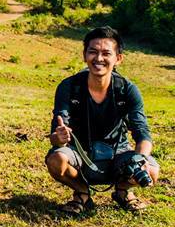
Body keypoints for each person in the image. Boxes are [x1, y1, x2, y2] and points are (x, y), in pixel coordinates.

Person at [46, 26, 160, 213]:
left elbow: (143, 134)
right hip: (79, 154)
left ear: (118, 59)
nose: (99, 59)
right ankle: (82, 193)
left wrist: (141, 159)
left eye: (106, 53)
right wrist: (58, 137)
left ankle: (123, 192)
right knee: (56, 160)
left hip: (118, 155)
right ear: (84, 55)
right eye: (93, 52)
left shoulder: (128, 90)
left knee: (152, 171)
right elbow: (55, 136)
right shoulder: (69, 86)